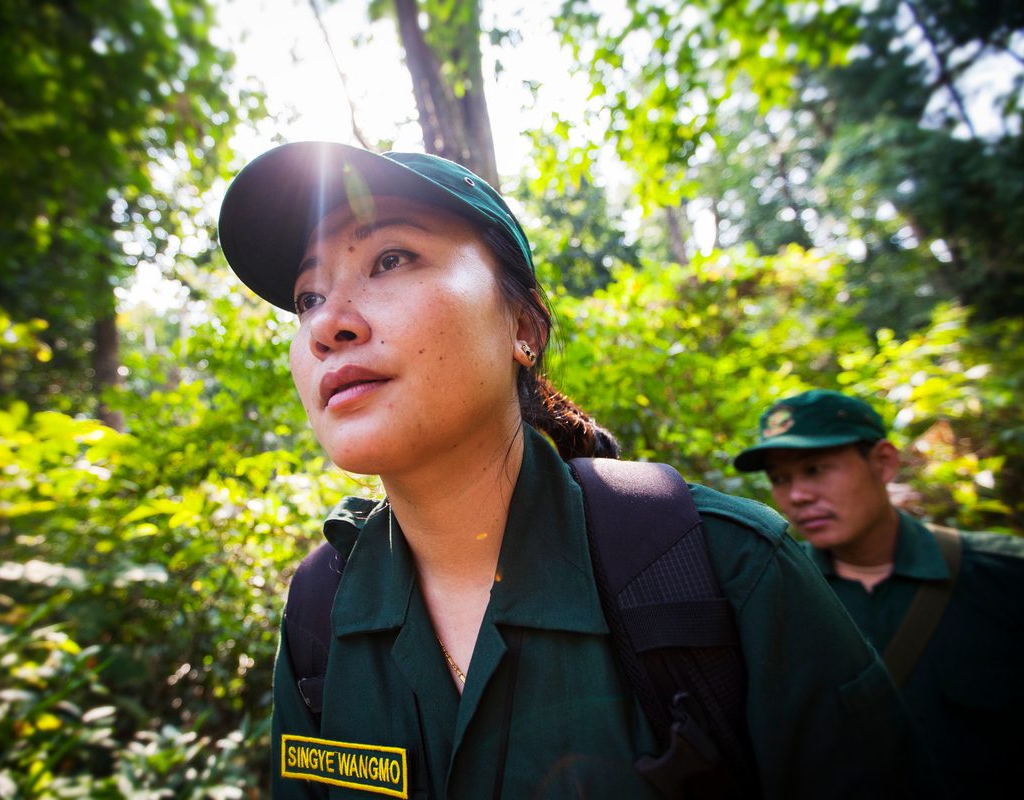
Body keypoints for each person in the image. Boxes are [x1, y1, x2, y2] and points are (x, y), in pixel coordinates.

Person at [218, 142, 925, 799]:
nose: (325, 323)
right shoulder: (317, 614)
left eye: (392, 258)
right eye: (308, 296)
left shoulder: (723, 567)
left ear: (523, 327)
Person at [734, 388, 1024, 797]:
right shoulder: (771, 594)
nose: (797, 495)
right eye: (780, 479)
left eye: (816, 468)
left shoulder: (1008, 574)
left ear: (883, 462)